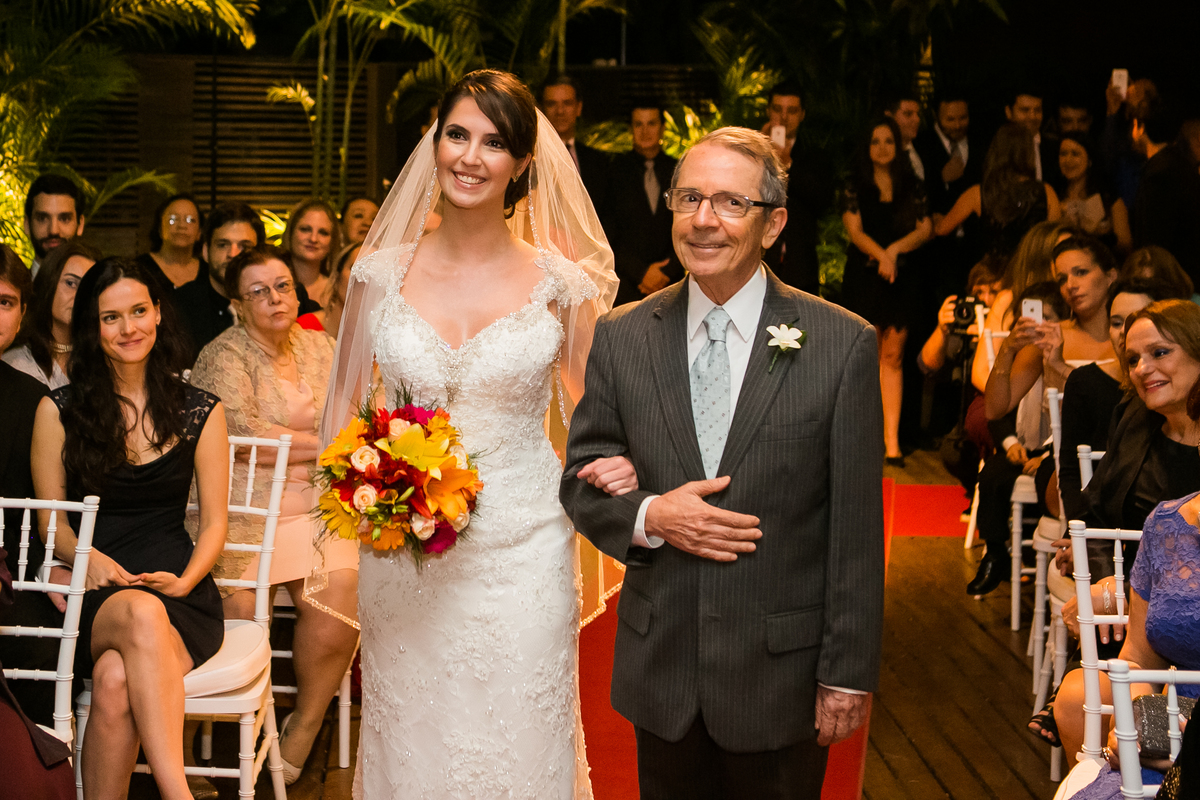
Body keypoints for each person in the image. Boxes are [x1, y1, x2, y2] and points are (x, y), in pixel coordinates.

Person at [561, 124, 885, 799]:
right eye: (689, 199)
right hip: (665, 673)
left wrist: (846, 672)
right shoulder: (623, 336)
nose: (703, 221)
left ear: (773, 225)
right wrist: (651, 513)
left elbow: (855, 530)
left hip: (781, 679)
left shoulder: (840, 344)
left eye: (731, 203)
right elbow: (584, 479)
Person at [322, 69, 620, 798]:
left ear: (523, 163)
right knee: (414, 737)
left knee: (520, 734)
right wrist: (365, 491)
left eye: (494, 142)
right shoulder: (375, 275)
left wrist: (627, 468)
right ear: (434, 141)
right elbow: (342, 412)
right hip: (404, 553)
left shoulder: (562, 286)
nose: (470, 156)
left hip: (523, 545)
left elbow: (594, 414)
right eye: (457, 134)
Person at [29, 257, 228, 800]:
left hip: (181, 593)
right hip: (99, 590)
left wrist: (187, 581)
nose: (128, 328)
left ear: (158, 313)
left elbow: (214, 523)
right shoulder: (59, 410)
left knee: (115, 682)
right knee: (139, 612)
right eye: (111, 317)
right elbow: (51, 521)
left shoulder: (200, 411)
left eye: (139, 311)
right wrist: (83, 554)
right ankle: (178, 793)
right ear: (94, 327)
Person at [190, 244, 357, 784]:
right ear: (238, 304)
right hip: (241, 508)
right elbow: (243, 435)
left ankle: (302, 732)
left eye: (282, 285)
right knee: (230, 619)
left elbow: (357, 414)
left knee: (340, 604)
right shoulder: (223, 355)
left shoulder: (321, 345)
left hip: (316, 505)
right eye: (257, 291)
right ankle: (188, 742)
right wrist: (327, 441)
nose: (274, 299)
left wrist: (329, 443)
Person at [968, 281, 1072, 595]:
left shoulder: (1065, 354)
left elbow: (1071, 419)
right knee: (991, 477)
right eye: (1028, 318)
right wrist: (1012, 444)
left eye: (1046, 318)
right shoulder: (1021, 359)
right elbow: (997, 411)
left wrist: (1047, 454)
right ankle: (995, 552)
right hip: (1022, 443)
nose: (1036, 327)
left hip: (1055, 450)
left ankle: (1041, 557)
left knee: (1045, 480)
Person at [840, 115, 933, 464]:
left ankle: (891, 442)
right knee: (867, 358)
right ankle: (865, 441)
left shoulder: (913, 184)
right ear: (867, 147)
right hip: (865, 277)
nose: (882, 148)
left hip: (901, 278)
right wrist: (881, 255)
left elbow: (926, 229)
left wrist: (893, 252)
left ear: (898, 145)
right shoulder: (854, 183)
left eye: (889, 141)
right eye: (876, 141)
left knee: (893, 357)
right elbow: (854, 230)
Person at [0, 244, 60, 726]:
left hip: (9, 574)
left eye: (4, 302)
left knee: (42, 633)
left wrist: (55, 564)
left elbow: (42, 508)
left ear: (21, 315)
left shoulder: (33, 399)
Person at [936, 122, 1062, 260]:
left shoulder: (977, 193)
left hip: (995, 274)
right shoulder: (1046, 192)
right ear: (1029, 153)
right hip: (1033, 273)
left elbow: (942, 229)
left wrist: (934, 219)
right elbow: (1055, 237)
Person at [604, 104, 681, 306]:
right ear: (631, 128)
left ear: (663, 127)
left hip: (671, 284)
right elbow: (607, 233)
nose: (645, 131)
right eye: (638, 124)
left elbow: (687, 224)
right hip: (627, 286)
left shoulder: (679, 171)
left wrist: (665, 272)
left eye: (651, 123)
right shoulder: (613, 172)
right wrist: (641, 274)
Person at [760, 81, 831, 295]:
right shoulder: (752, 152)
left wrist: (788, 163)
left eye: (791, 111)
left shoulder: (815, 155)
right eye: (777, 109)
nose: (783, 117)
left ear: (802, 114)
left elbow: (821, 203)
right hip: (758, 263)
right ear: (768, 111)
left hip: (800, 266)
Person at [173, 202, 266, 358]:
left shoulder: (279, 298)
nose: (233, 254)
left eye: (244, 246)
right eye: (223, 245)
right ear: (205, 251)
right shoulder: (179, 306)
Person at [2, 240, 100, 389]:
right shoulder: (16, 362)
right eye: (71, 283)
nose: (80, 295)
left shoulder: (101, 359)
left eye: (89, 287)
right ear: (49, 283)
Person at [1132, 99, 1200, 286]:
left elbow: (1154, 242)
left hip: (1174, 285)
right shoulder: (1183, 165)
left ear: (1140, 127)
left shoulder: (1159, 175)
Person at [1057, 133, 1133, 255]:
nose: (1068, 160)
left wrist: (1103, 236)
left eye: (1075, 154)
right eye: (1063, 154)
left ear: (1089, 160)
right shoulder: (1053, 197)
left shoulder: (1108, 198)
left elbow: (1126, 244)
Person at [541, 75, 609, 210]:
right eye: (552, 104)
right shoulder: (529, 159)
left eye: (567, 103)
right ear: (542, 109)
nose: (560, 111)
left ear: (579, 108)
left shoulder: (599, 162)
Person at [135, 194, 205, 293]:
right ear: (160, 229)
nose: (181, 225)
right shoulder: (139, 269)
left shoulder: (209, 273)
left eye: (190, 220)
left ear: (199, 232)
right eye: (173, 219)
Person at [282, 198, 341, 312]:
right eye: (305, 229)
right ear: (290, 233)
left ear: (332, 241)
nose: (313, 239)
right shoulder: (270, 286)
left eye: (323, 232)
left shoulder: (339, 292)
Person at [23, 174, 86, 276]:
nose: (53, 230)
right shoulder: (11, 290)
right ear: (27, 224)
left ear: (80, 224)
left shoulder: (97, 290)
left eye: (64, 219)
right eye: (42, 219)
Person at [298, 242, 359, 337]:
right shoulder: (305, 328)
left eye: (374, 275)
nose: (363, 280)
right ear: (336, 276)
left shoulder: (381, 340)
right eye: (356, 269)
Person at [1005, 87, 1055, 183]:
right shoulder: (996, 148)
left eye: (1037, 110)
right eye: (1025, 110)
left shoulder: (1054, 149)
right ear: (1008, 112)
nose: (1032, 117)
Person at [885, 93, 925, 180]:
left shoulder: (924, 145)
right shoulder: (883, 154)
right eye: (908, 114)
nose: (917, 119)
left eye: (917, 114)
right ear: (889, 116)